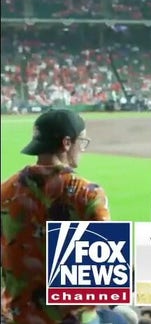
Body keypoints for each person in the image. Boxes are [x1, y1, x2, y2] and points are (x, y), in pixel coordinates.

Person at [1, 109, 111, 324]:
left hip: (17, 317)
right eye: (83, 141)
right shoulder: (87, 194)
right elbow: (102, 279)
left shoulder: (5, 191)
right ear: (67, 143)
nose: (83, 148)